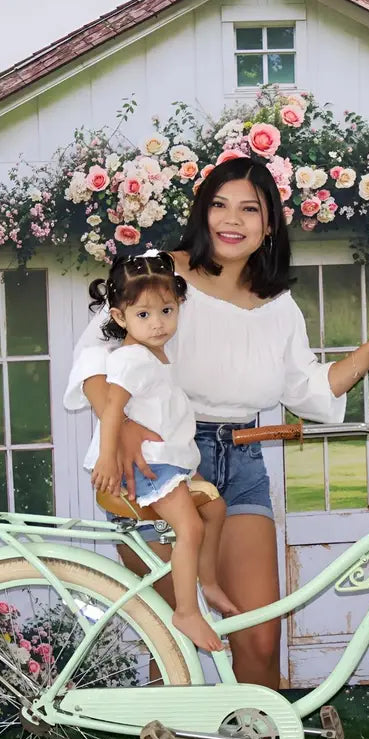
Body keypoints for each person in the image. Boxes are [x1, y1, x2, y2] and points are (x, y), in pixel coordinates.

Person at [64, 155, 369, 739]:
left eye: (249, 208)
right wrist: (122, 425)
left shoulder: (278, 303)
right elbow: (94, 362)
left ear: (269, 223)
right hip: (162, 460)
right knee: (180, 637)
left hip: (243, 459)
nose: (232, 220)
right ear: (202, 211)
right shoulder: (160, 274)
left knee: (257, 634)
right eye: (220, 204)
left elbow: (308, 391)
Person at [85, 251, 238, 652]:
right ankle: (187, 610)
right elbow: (113, 410)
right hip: (150, 467)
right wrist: (106, 456)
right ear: (119, 318)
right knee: (190, 528)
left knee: (214, 509)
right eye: (143, 315)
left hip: (167, 460)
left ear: (178, 306)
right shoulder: (133, 359)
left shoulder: (155, 357)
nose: (157, 323)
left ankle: (209, 582)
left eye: (166, 311)